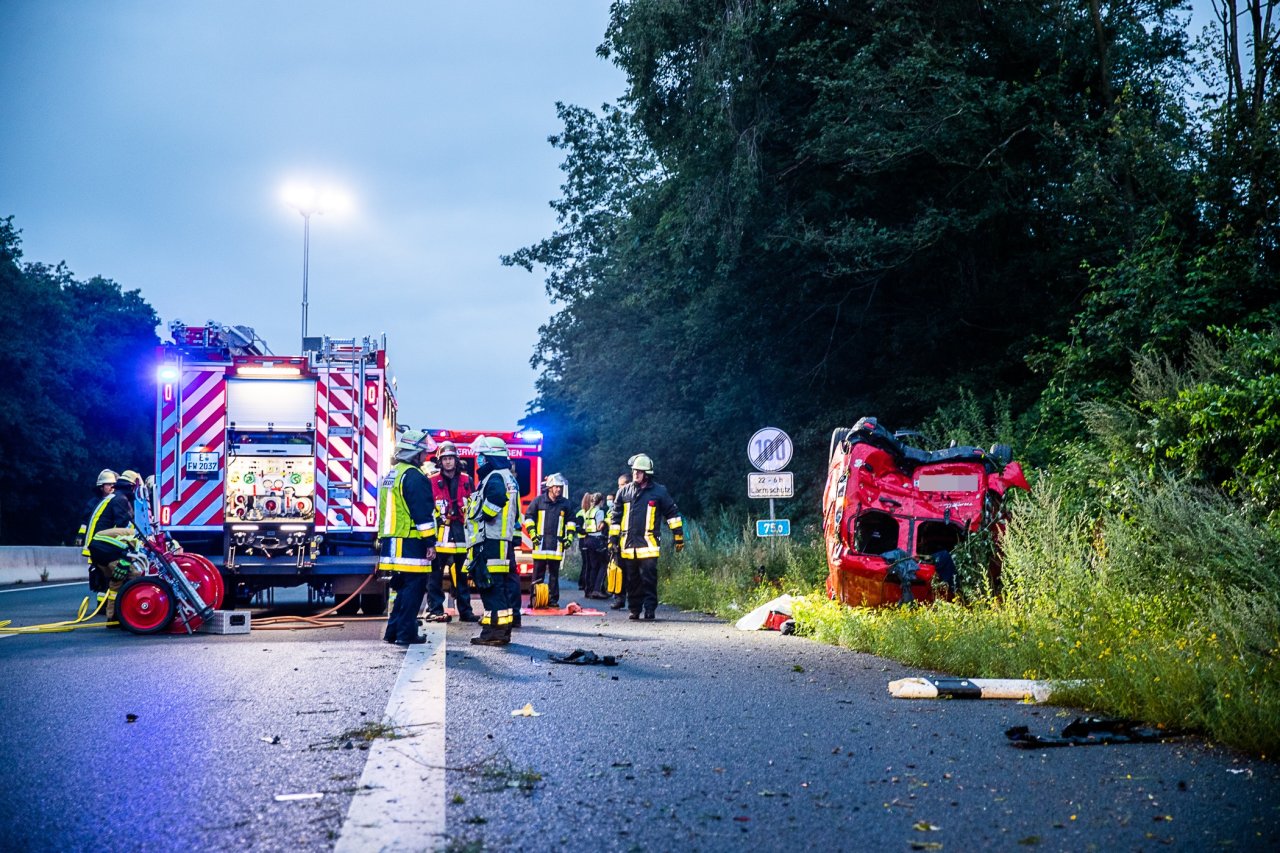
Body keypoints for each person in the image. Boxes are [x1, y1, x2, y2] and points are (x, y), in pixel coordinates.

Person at [377, 429, 438, 647]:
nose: (425, 457)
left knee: (402, 589)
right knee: (414, 590)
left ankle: (393, 631)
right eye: (423, 452)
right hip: (410, 543)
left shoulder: (393, 474)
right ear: (415, 454)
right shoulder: (415, 476)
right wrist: (430, 542)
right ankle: (406, 633)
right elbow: (422, 513)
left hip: (392, 542)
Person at [608, 453, 683, 621]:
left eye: (639, 472)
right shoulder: (624, 492)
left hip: (649, 544)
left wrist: (678, 535)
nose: (635, 474)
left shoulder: (659, 492)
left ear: (647, 474)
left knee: (649, 578)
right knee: (632, 579)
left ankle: (650, 609)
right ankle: (634, 609)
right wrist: (612, 540)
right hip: (628, 545)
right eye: (634, 471)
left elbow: (672, 513)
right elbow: (615, 518)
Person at [467, 435, 522, 646]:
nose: (479, 459)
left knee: (491, 587)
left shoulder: (495, 477)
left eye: (481, 455)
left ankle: (496, 633)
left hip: (491, 541)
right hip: (502, 541)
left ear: (490, 457)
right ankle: (498, 629)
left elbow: (497, 499)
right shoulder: (508, 477)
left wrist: (483, 514)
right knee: (499, 588)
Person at [424, 441, 478, 623]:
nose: (448, 462)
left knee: (462, 577)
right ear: (440, 461)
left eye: (450, 459)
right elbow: (427, 507)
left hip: (461, 536)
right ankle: (435, 609)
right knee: (435, 577)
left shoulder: (466, 480)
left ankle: (466, 611)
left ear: (456, 460)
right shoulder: (431, 480)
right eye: (444, 459)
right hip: (440, 537)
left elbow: (473, 505)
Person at [85, 473, 140, 622]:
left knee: (115, 581)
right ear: (132, 486)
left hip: (100, 547)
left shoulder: (113, 497)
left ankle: (114, 617)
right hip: (107, 547)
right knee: (132, 575)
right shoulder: (120, 500)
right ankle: (126, 615)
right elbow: (123, 525)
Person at [522, 473, 576, 608]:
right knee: (537, 575)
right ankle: (534, 600)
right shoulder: (538, 501)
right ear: (550, 487)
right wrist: (533, 534)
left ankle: (553, 600)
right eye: (556, 487)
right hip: (540, 543)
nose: (559, 490)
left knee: (554, 575)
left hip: (557, 545)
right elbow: (528, 518)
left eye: (560, 487)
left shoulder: (565, 503)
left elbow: (571, 522)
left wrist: (569, 538)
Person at [76, 469, 117, 548]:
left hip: (110, 541)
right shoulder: (93, 503)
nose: (112, 487)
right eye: (108, 484)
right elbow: (85, 522)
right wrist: (80, 535)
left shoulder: (116, 502)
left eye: (113, 484)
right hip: (94, 540)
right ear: (101, 487)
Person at [579, 492, 609, 599]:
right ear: (601, 501)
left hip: (587, 539)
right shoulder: (599, 511)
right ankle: (597, 589)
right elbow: (600, 526)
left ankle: (590, 590)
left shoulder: (588, 512)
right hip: (597, 539)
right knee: (603, 564)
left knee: (592, 566)